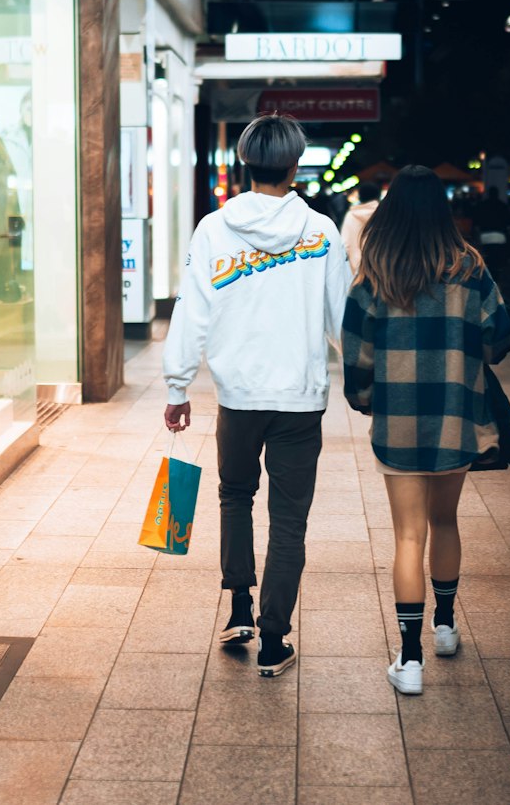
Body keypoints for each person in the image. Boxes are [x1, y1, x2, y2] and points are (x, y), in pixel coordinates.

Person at [162, 114, 352, 677]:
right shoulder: (321, 231)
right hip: (299, 398)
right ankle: (274, 641)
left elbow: (190, 313)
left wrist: (177, 386)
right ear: (294, 166)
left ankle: (239, 608)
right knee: (289, 520)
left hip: (238, 397)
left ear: (245, 163)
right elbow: (341, 320)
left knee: (235, 497)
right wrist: (367, 375)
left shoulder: (213, 229)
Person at [342, 165, 510, 696]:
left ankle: (410, 659)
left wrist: (370, 401)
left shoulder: (375, 272)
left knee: (407, 535)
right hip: (455, 418)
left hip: (397, 423)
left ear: (392, 208)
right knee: (446, 523)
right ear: (442, 209)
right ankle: (444, 629)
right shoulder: (470, 268)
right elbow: (500, 339)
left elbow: (357, 358)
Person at [340, 181, 380, 274]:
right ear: (378, 196)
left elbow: (345, 243)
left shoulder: (351, 215)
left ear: (360, 197)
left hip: (356, 269)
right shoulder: (384, 214)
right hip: (379, 268)